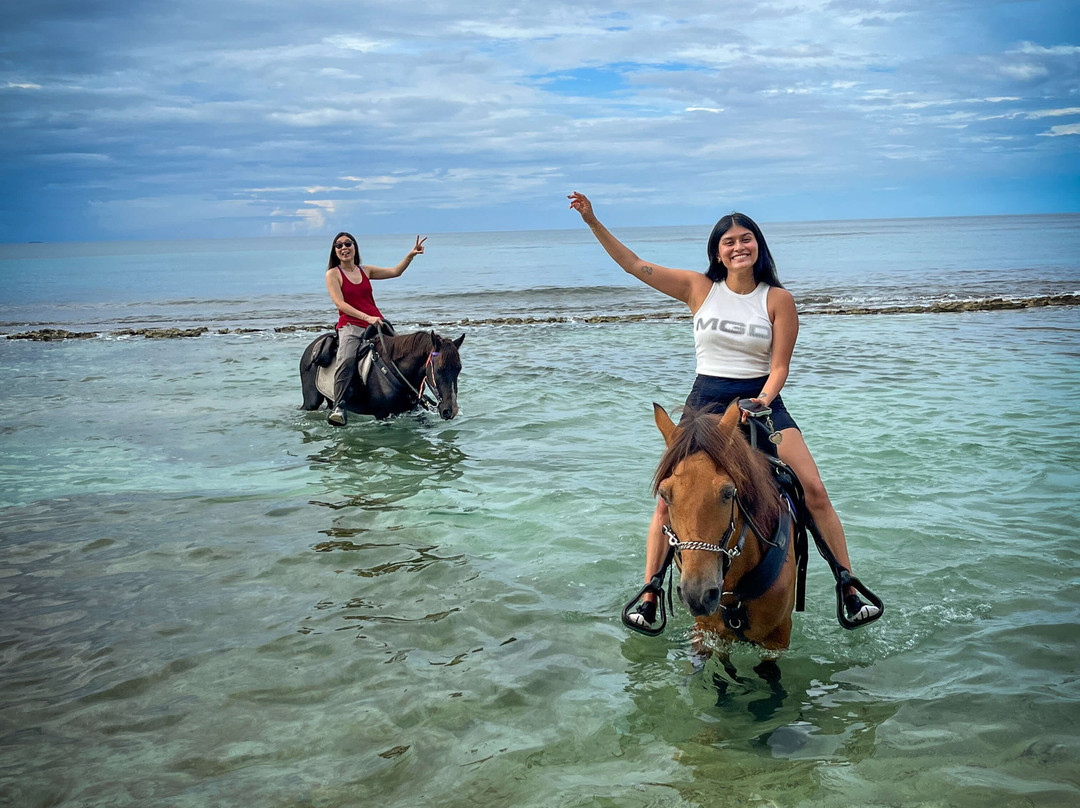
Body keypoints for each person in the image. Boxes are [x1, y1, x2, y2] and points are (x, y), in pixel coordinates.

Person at [567, 191, 881, 630]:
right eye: (728, 241)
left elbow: (780, 366)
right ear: (717, 251)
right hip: (704, 403)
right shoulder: (699, 288)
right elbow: (634, 265)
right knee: (670, 498)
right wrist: (592, 221)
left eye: (746, 239)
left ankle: (847, 585)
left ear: (758, 245)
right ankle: (651, 592)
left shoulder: (778, 299)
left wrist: (762, 401)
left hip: (761, 400)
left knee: (813, 490)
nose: (738, 247)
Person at [324, 232, 427, 426]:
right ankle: (339, 406)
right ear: (335, 251)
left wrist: (411, 255)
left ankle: (416, 398)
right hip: (351, 325)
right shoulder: (333, 274)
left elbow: (395, 272)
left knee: (406, 356)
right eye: (339, 245)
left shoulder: (366, 270)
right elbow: (340, 303)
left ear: (355, 247)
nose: (344, 248)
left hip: (377, 324)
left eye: (348, 243)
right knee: (346, 359)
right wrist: (366, 317)